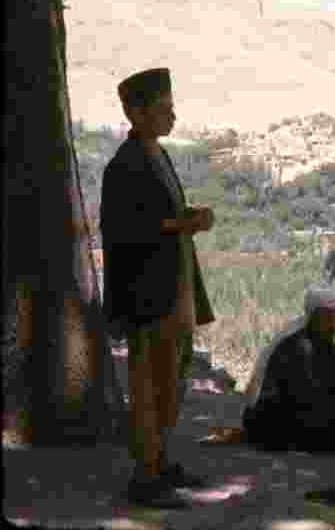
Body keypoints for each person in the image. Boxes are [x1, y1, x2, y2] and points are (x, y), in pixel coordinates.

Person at [100, 67, 217, 508]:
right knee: (150, 386)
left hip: (175, 290)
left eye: (172, 107)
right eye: (164, 108)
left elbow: (160, 213)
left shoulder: (158, 155)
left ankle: (161, 463)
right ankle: (145, 478)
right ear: (136, 112)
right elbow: (123, 230)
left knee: (172, 383)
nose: (173, 116)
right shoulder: (123, 165)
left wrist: (189, 215)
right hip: (149, 296)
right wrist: (181, 223)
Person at [242, 284, 335, 453]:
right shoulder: (296, 344)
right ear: (314, 316)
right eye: (328, 319)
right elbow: (306, 395)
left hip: (300, 411)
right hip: (272, 421)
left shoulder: (326, 344)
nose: (334, 326)